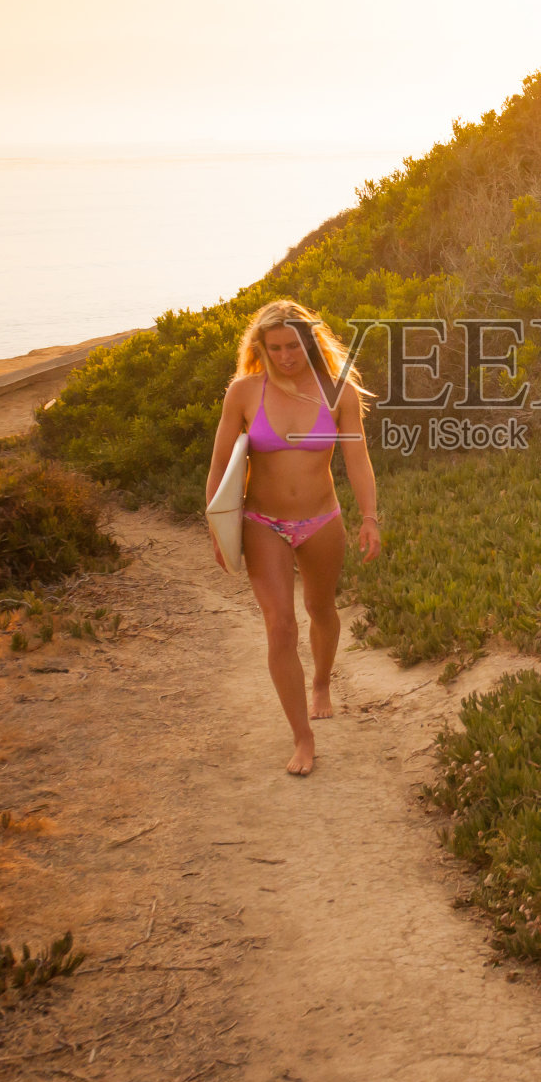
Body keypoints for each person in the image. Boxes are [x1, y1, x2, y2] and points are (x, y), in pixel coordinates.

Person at [205, 300, 381, 776]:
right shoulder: (243, 393)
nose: (286, 356)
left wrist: (370, 517)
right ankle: (303, 737)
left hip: (321, 520)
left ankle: (322, 680)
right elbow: (220, 464)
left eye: (295, 346)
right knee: (280, 625)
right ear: (260, 347)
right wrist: (218, 528)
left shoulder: (337, 392)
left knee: (320, 609)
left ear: (311, 341)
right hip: (263, 524)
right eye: (276, 347)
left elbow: (357, 460)